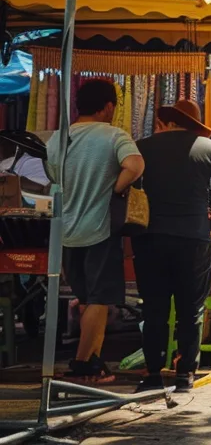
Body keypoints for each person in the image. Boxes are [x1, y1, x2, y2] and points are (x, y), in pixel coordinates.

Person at [47, 79, 144, 383]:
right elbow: (135, 165)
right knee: (99, 299)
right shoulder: (114, 135)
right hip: (100, 230)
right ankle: (83, 364)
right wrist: (114, 190)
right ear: (108, 106)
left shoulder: (58, 139)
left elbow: (51, 177)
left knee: (86, 298)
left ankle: (94, 362)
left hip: (66, 231)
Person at [132, 99, 211, 392]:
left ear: (168, 121)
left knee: (154, 309)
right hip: (194, 239)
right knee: (191, 310)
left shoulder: (142, 147)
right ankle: (185, 375)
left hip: (150, 238)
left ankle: (151, 375)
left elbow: (127, 182)